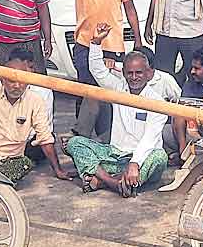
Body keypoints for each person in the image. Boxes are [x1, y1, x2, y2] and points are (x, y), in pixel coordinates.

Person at [41, 0, 144, 136]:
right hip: (85, 44)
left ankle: (108, 138)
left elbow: (130, 9)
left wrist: (138, 40)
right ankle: (81, 139)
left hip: (112, 46)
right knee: (85, 91)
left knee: (110, 95)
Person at [64, 22, 172, 197]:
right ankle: (114, 182)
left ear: (148, 74)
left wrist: (135, 163)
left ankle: (101, 179)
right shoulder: (118, 89)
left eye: (139, 73)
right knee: (75, 143)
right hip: (114, 155)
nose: (134, 77)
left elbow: (150, 139)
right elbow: (98, 71)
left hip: (142, 159)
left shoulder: (157, 103)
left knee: (160, 157)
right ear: (124, 73)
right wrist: (96, 43)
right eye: (130, 73)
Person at [0, 48, 72, 183]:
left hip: (11, 160)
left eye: (21, 81)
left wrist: (58, 170)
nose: (17, 86)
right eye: (12, 81)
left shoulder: (35, 100)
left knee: (25, 164)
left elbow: (45, 138)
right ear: (3, 80)